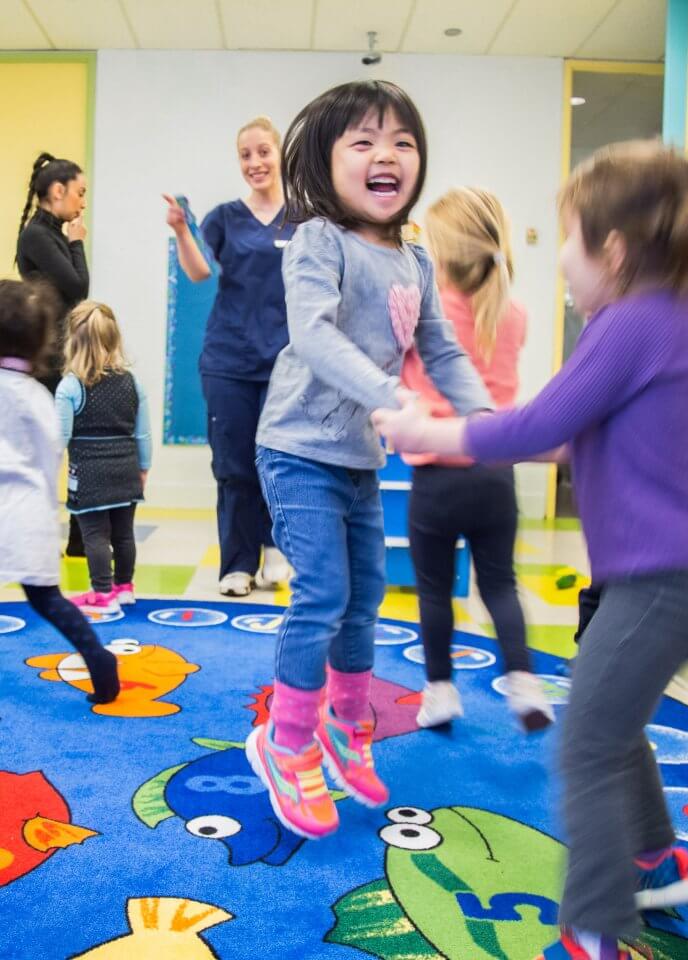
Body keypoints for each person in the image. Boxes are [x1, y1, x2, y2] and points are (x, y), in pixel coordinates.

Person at [373, 141, 688, 960]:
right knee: (618, 720)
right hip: (679, 578)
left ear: (612, 251)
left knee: (589, 741)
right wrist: (479, 432)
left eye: (566, 236)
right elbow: (568, 443)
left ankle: (595, 929)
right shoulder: (670, 319)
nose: (556, 259)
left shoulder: (633, 322)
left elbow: (540, 425)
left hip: (662, 583)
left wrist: (428, 430)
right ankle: (656, 860)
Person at [246, 80, 492, 841]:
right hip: (295, 448)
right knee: (320, 590)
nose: (386, 154)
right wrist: (391, 397)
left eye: (403, 142)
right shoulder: (319, 240)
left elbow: (441, 349)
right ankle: (285, 740)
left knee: (365, 597)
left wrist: (483, 418)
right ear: (325, 161)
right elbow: (314, 336)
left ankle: (346, 724)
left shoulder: (414, 260)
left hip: (355, 457)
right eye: (363, 141)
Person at [400, 187, 553, 732]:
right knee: (501, 584)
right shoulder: (513, 314)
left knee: (435, 590)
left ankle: (440, 692)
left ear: (440, 253)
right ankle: (524, 680)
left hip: (437, 476)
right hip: (495, 474)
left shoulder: (427, 311)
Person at [164, 116, 292, 597]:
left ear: (279, 155)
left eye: (263, 151)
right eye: (245, 155)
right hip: (229, 360)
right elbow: (199, 272)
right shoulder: (223, 217)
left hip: (285, 365)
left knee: (278, 461)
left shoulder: (303, 220)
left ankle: (274, 548)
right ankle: (236, 565)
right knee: (234, 464)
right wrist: (181, 230)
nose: (255, 162)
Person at [0, 279, 119, 705]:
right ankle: (99, 661)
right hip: (29, 513)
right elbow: (52, 451)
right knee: (48, 600)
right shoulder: (37, 396)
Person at [56, 301, 151, 614]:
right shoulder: (131, 382)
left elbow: (61, 437)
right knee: (124, 534)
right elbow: (142, 433)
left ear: (73, 342)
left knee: (95, 535)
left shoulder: (71, 386)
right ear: (114, 340)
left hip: (89, 474)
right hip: (126, 469)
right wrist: (143, 467)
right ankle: (125, 588)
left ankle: (103, 594)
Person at [16, 152, 89, 557]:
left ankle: (80, 538)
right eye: (79, 193)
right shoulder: (38, 236)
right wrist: (78, 244)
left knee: (76, 445)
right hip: (47, 360)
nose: (82, 203)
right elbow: (77, 288)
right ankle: (35, 535)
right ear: (57, 191)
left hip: (66, 356)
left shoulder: (51, 234)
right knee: (48, 447)